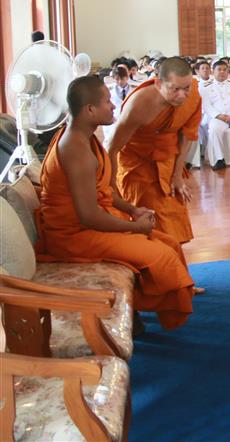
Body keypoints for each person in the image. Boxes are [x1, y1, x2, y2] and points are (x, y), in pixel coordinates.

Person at [35, 76, 194, 330]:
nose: (112, 106)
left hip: (90, 224)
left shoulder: (85, 136)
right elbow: (88, 215)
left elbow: (102, 192)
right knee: (161, 256)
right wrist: (135, 227)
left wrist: (131, 210)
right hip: (74, 236)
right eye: (107, 101)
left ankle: (138, 308)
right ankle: (158, 311)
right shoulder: (75, 149)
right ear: (89, 110)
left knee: (169, 242)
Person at [108, 57, 202, 245]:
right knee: (151, 227)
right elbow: (112, 148)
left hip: (168, 162)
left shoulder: (194, 96)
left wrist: (177, 176)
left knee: (175, 224)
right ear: (159, 83)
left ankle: (173, 267)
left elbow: (187, 136)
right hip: (138, 165)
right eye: (175, 89)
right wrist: (112, 190)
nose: (183, 95)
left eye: (186, 88)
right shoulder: (139, 104)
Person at [199, 60, 230, 170]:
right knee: (214, 129)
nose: (222, 72)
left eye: (224, 70)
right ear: (213, 71)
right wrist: (220, 116)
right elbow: (206, 106)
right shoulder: (205, 87)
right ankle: (219, 159)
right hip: (218, 117)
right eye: (219, 69)